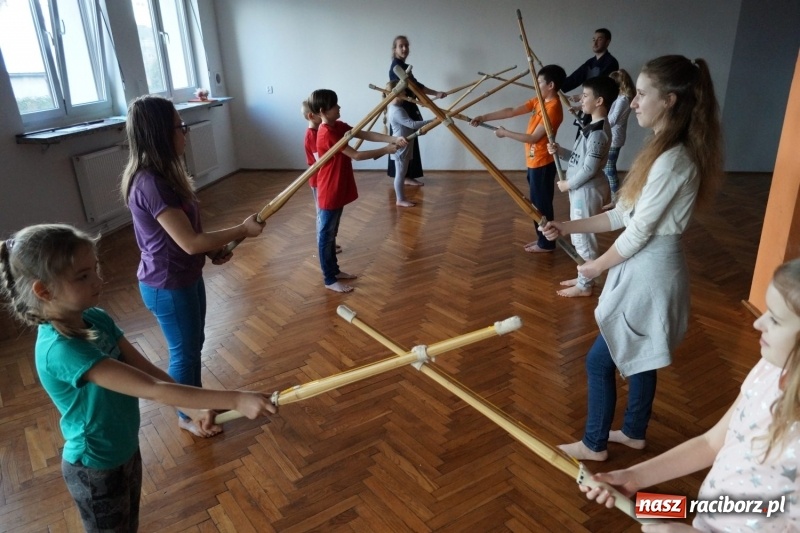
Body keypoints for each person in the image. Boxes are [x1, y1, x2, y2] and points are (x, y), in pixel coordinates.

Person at [0, 224, 277, 532]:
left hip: (124, 446)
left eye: (95, 268)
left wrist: (190, 408)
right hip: (95, 465)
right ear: (43, 290)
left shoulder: (96, 318)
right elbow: (152, 389)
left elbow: (150, 371)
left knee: (128, 525)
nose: (97, 280)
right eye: (82, 276)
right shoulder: (61, 350)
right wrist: (236, 399)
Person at [541, 55, 723, 461]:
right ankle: (636, 432)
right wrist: (565, 227)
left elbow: (638, 232)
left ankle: (594, 444)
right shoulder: (663, 150)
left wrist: (594, 267)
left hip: (651, 271)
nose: (634, 102)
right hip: (645, 265)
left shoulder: (675, 159)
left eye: (641, 94)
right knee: (641, 355)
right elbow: (623, 214)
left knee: (598, 361)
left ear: (671, 100)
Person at [581, 259, 800, 531]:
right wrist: (633, 477)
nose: (758, 323)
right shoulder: (770, 368)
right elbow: (712, 442)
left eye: (776, 320)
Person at [121, 95, 266, 438]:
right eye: (179, 127)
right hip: (167, 285)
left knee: (193, 344)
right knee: (184, 353)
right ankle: (188, 416)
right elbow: (189, 242)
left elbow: (187, 238)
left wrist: (211, 252)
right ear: (159, 133)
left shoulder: (165, 176)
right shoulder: (151, 183)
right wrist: (242, 230)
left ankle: (196, 403)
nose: (185, 133)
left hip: (183, 276)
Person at [308, 89, 406, 293]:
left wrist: (392, 139)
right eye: (335, 105)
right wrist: (386, 150)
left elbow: (364, 133)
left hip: (338, 186)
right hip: (329, 189)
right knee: (326, 235)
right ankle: (329, 278)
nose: (339, 107)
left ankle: (334, 271)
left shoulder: (337, 126)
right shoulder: (326, 133)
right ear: (322, 111)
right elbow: (356, 155)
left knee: (332, 233)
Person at [470, 64, 567, 253]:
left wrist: (505, 133)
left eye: (539, 82)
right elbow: (512, 110)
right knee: (537, 202)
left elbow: (533, 138)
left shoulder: (553, 107)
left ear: (551, 85)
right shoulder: (540, 101)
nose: (536, 85)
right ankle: (542, 239)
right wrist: (483, 117)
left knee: (541, 204)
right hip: (533, 161)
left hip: (542, 163)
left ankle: (546, 243)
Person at [547, 76, 617, 297]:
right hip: (581, 191)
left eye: (585, 96)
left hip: (585, 192)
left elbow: (589, 168)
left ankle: (585, 285)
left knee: (583, 238)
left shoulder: (598, 132)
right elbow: (580, 158)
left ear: (599, 101)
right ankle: (583, 278)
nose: (581, 99)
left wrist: (568, 184)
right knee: (580, 236)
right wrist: (561, 151)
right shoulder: (591, 126)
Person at [387, 35, 447, 186]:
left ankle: (406, 175)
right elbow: (413, 86)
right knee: (404, 139)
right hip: (403, 106)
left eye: (406, 45)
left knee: (411, 139)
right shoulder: (396, 67)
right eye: (401, 46)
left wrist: (435, 94)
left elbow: (416, 85)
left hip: (408, 104)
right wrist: (430, 97)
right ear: (394, 49)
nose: (404, 48)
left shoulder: (403, 65)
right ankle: (404, 176)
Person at [386, 80, 434, 207]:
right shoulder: (396, 110)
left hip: (405, 143)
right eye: (402, 90)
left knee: (402, 172)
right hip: (400, 145)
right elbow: (411, 124)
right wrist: (432, 121)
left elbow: (409, 126)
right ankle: (400, 199)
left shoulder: (398, 108)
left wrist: (420, 130)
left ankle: (401, 198)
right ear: (396, 93)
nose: (405, 92)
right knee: (400, 174)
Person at [302, 100, 341, 253]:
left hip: (325, 179)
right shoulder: (312, 136)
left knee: (330, 214)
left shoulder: (320, 131)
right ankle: (323, 242)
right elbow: (321, 160)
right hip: (318, 180)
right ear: (312, 116)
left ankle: (329, 241)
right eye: (319, 113)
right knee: (322, 214)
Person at [563, 29, 620, 134]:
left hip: (599, 108)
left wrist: (581, 96)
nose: (595, 42)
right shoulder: (590, 62)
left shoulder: (611, 62)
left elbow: (602, 86)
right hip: (587, 106)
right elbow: (574, 78)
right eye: (593, 39)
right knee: (581, 138)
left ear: (607, 42)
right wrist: (554, 83)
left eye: (599, 39)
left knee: (594, 136)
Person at [603, 69, 635, 208]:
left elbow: (613, 120)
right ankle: (613, 196)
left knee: (609, 169)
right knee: (607, 168)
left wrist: (600, 122)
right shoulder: (621, 98)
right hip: (615, 136)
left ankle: (616, 200)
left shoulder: (623, 100)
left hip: (615, 138)